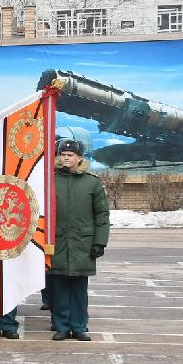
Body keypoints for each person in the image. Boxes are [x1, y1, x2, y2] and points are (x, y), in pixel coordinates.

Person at [49, 138, 110, 341]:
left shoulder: (91, 182)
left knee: (78, 288)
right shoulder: (50, 180)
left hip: (82, 243)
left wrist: (99, 242)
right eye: (63, 155)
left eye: (70, 155)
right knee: (58, 288)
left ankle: (79, 326)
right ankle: (62, 326)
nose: (66, 158)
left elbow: (101, 214)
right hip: (57, 241)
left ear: (79, 158)